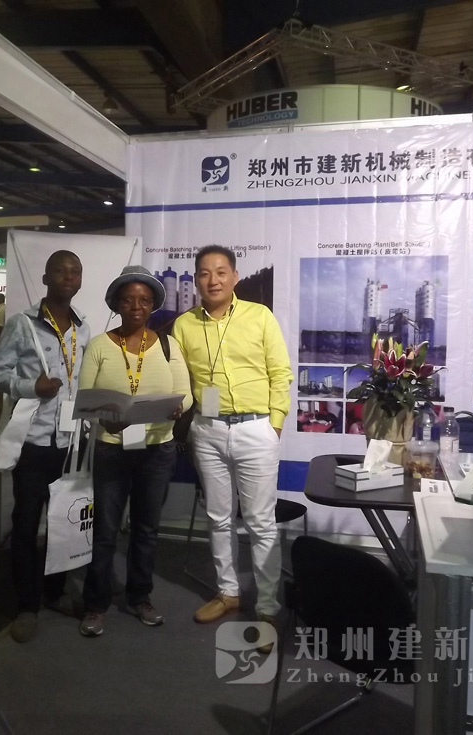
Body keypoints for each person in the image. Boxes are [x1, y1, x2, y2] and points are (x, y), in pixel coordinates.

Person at [171, 245, 293, 643]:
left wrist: (275, 425)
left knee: (259, 521)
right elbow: (180, 381)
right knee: (218, 517)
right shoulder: (183, 325)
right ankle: (228, 593)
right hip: (207, 431)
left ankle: (268, 607)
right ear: (196, 280)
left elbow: (280, 372)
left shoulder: (259, 316)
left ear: (235, 277)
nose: (214, 280)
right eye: (205, 273)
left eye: (221, 272)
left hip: (255, 429)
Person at [76, 266, 192, 637]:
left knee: (146, 529)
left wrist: (178, 408)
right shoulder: (99, 345)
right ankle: (96, 604)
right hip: (112, 449)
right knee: (105, 531)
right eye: (129, 299)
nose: (137, 306)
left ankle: (140, 596)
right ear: (117, 304)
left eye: (144, 299)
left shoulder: (168, 345)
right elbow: (85, 399)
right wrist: (103, 421)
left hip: (157, 450)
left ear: (153, 304)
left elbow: (186, 394)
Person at [0, 251, 90, 643]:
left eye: (75, 271)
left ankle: (56, 593)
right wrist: (31, 386)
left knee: (64, 524)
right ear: (46, 278)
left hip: (71, 443)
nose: (68, 276)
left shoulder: (84, 328)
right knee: (27, 525)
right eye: (60, 270)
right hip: (33, 443)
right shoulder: (22, 323)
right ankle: (27, 605)